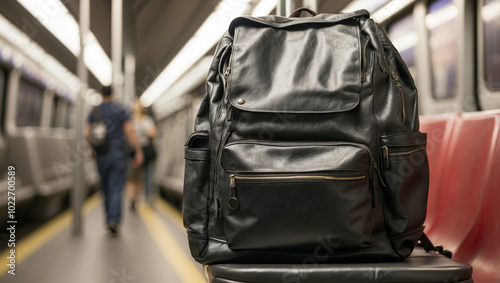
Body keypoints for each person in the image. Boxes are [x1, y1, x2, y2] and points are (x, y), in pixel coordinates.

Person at [85, 86, 143, 235]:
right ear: (113, 94)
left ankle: (108, 218)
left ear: (101, 94)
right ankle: (114, 220)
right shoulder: (121, 110)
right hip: (118, 152)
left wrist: (92, 148)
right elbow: (130, 131)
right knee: (116, 187)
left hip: (101, 154)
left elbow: (87, 133)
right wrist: (137, 150)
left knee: (105, 187)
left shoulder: (95, 110)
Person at [127, 99, 157, 210]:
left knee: (133, 177)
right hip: (146, 150)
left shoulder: (130, 121)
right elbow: (153, 133)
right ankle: (148, 198)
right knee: (147, 175)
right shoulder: (147, 120)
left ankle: (133, 199)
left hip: (133, 151)